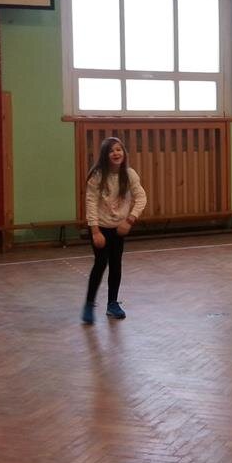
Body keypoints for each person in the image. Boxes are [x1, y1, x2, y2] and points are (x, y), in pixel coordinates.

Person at [81, 136, 147, 325]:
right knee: (101, 263)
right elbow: (91, 203)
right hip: (100, 227)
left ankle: (112, 303)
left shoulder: (130, 175)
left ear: (123, 153)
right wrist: (95, 231)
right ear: (105, 155)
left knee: (116, 264)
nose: (116, 153)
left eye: (118, 149)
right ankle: (89, 304)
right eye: (111, 151)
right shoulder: (97, 176)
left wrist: (130, 219)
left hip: (119, 228)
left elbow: (141, 198)